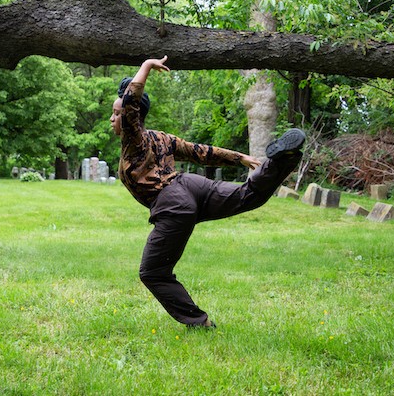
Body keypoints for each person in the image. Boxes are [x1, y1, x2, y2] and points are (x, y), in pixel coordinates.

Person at [110, 56, 306, 329]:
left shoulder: (135, 138)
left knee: (153, 272)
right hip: (191, 187)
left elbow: (132, 101)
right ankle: (283, 159)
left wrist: (145, 66)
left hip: (172, 202)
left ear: (132, 116)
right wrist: (241, 158)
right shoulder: (162, 138)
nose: (113, 118)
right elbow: (201, 152)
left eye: (117, 113)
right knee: (248, 196)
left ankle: (199, 323)